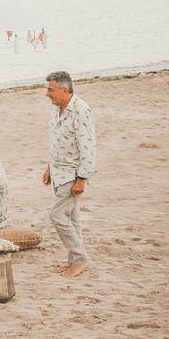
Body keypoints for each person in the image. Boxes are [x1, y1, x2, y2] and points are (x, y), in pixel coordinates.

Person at [43, 70, 97, 278]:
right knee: (72, 218)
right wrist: (49, 167)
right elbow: (56, 142)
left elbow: (88, 147)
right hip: (58, 172)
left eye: (50, 89)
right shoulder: (56, 109)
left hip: (72, 174)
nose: (47, 94)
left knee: (57, 215)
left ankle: (81, 258)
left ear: (64, 90)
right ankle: (73, 260)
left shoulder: (81, 111)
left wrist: (82, 178)